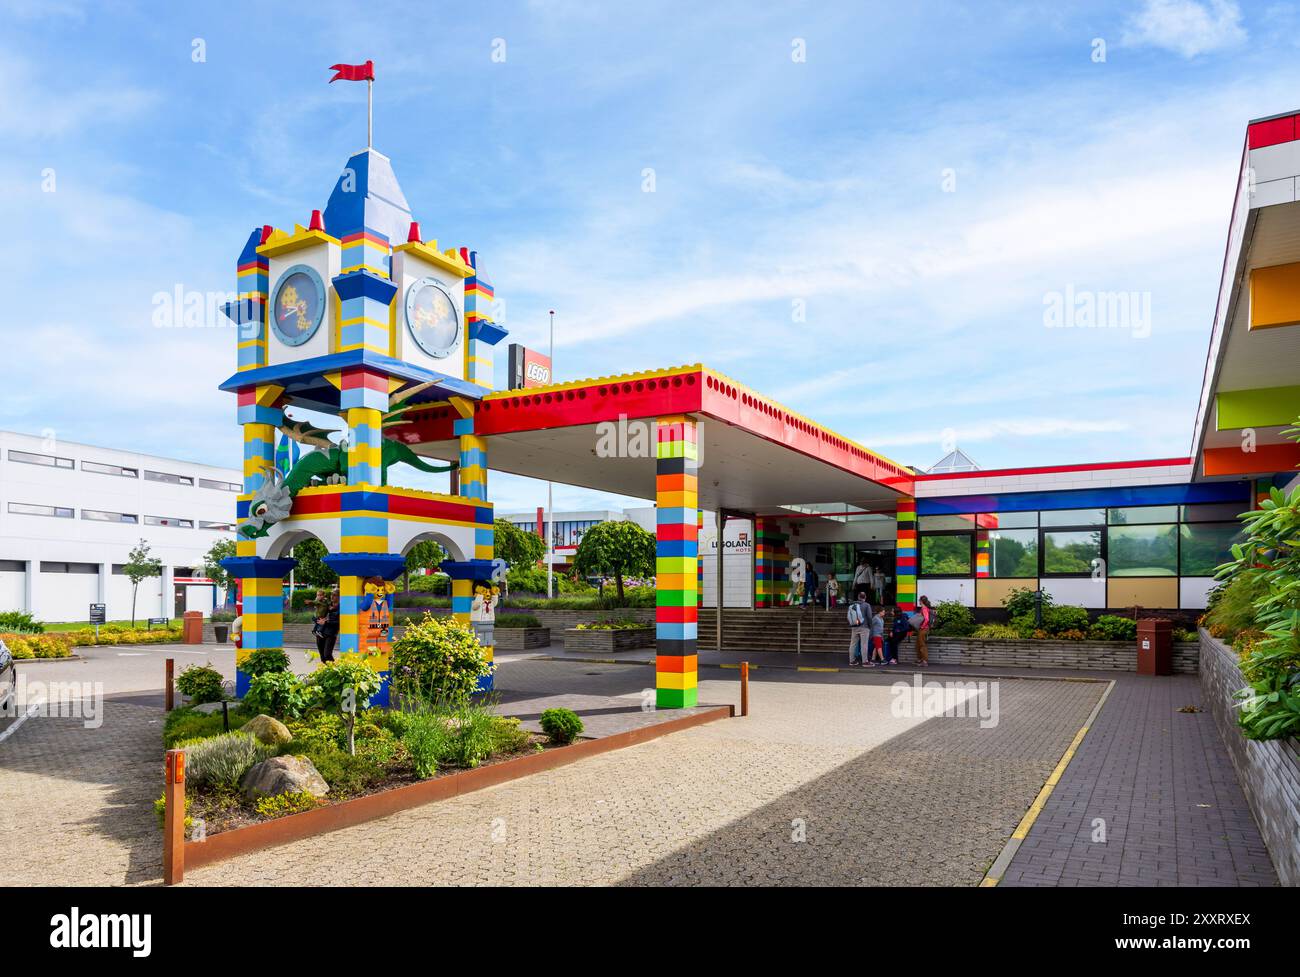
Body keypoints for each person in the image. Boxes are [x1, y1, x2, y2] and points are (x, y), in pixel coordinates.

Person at [314, 587, 340, 663]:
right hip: (320, 632)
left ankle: (336, 672)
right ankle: (328, 672)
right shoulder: (327, 604)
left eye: (334, 595)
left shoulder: (341, 607)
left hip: (331, 634)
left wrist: (326, 622)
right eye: (331, 594)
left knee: (327, 655)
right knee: (322, 657)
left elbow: (339, 621)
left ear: (339, 596)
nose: (332, 596)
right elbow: (316, 615)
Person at [846, 591, 871, 666]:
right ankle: (865, 661)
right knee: (864, 644)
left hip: (854, 627)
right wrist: (870, 626)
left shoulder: (852, 605)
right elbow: (869, 617)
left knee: (853, 644)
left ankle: (852, 660)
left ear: (858, 597)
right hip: (864, 627)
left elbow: (849, 616)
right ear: (865, 597)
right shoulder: (867, 605)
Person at [916, 595, 934, 667]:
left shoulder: (924, 608)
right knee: (918, 644)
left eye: (919, 600)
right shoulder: (924, 608)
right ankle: (920, 659)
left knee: (922, 645)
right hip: (923, 629)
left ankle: (924, 661)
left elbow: (926, 619)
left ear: (921, 601)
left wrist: (922, 626)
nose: (919, 601)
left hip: (923, 629)